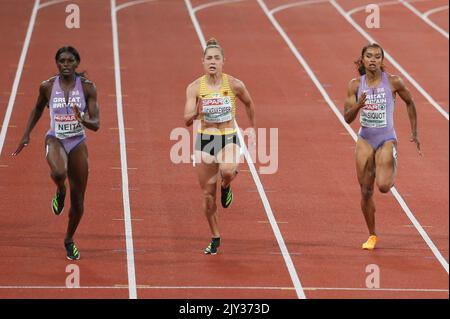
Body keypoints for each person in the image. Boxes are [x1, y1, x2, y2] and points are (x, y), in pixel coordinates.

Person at [12, 46, 100, 260]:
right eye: (62, 61)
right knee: (60, 173)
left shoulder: (88, 88)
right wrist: (26, 134)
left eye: (70, 61)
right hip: (56, 138)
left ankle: (69, 239)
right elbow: (38, 108)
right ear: (57, 63)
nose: (66, 65)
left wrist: (83, 120)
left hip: (77, 142)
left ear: (77, 63)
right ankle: (60, 190)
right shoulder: (48, 86)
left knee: (78, 201)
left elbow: (96, 123)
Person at [344, 43, 420, 250]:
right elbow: (347, 118)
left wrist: (414, 131)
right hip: (365, 138)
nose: (373, 60)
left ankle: (389, 161)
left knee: (384, 187)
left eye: (377, 57)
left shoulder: (394, 82)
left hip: (386, 137)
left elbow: (410, 101)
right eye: (369, 56)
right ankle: (372, 235)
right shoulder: (354, 85)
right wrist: (358, 105)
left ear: (382, 61)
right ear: (362, 60)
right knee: (366, 191)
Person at [184, 38, 256, 255]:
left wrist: (251, 128)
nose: (212, 61)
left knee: (226, 170)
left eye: (216, 58)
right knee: (207, 195)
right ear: (203, 62)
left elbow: (249, 103)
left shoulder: (234, 84)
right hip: (206, 139)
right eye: (209, 58)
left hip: (228, 136)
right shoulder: (195, 87)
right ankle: (215, 237)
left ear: (224, 61)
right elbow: (186, 119)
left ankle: (226, 184)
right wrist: (198, 112)